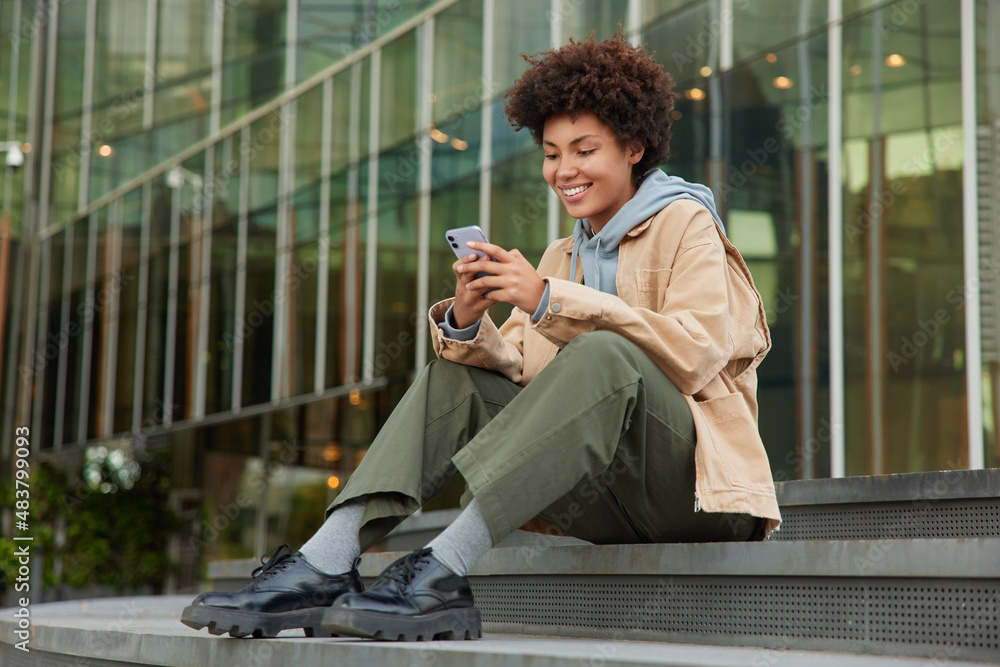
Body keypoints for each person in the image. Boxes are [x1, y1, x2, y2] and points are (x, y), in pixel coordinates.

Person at [181, 31, 781, 643]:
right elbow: (521, 369)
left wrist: (550, 298)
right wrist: (471, 319)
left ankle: (443, 569)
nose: (563, 171)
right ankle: (324, 564)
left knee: (605, 351)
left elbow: (696, 352)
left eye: (583, 149)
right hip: (610, 494)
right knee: (456, 369)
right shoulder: (561, 254)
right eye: (551, 154)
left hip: (701, 493)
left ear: (634, 147)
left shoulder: (689, 224)